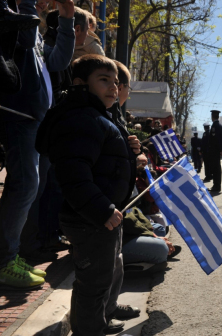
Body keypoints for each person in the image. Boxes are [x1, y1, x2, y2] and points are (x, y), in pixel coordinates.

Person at [35, 55, 139, 334]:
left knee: (108, 274)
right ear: (80, 84)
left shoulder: (100, 116)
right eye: (104, 80)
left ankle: (98, 322)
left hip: (104, 216)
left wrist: (131, 151)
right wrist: (102, 209)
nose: (114, 87)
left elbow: (107, 162)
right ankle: (88, 329)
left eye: (116, 82)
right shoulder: (81, 118)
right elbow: (74, 175)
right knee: (93, 282)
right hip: (91, 218)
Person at [0, 0, 75, 289]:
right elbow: (25, 41)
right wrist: (29, 0)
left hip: (38, 119)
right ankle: (5, 260)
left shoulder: (35, 25)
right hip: (20, 116)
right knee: (26, 184)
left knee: (32, 187)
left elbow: (57, 61)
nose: (46, 1)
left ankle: (13, 254)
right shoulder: (15, 20)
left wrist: (68, 19)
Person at [20, 6, 89, 262]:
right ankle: (30, 244)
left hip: (47, 129)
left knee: (44, 188)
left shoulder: (51, 50)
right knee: (35, 189)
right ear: (74, 29)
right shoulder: (49, 52)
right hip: (43, 128)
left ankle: (40, 239)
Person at [208, 110, 222, 193]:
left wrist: (219, 149)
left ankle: (216, 186)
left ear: (212, 117)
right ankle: (216, 185)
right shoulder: (221, 126)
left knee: (216, 169)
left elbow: (216, 140)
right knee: (217, 169)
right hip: (217, 151)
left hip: (214, 151)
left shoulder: (215, 126)